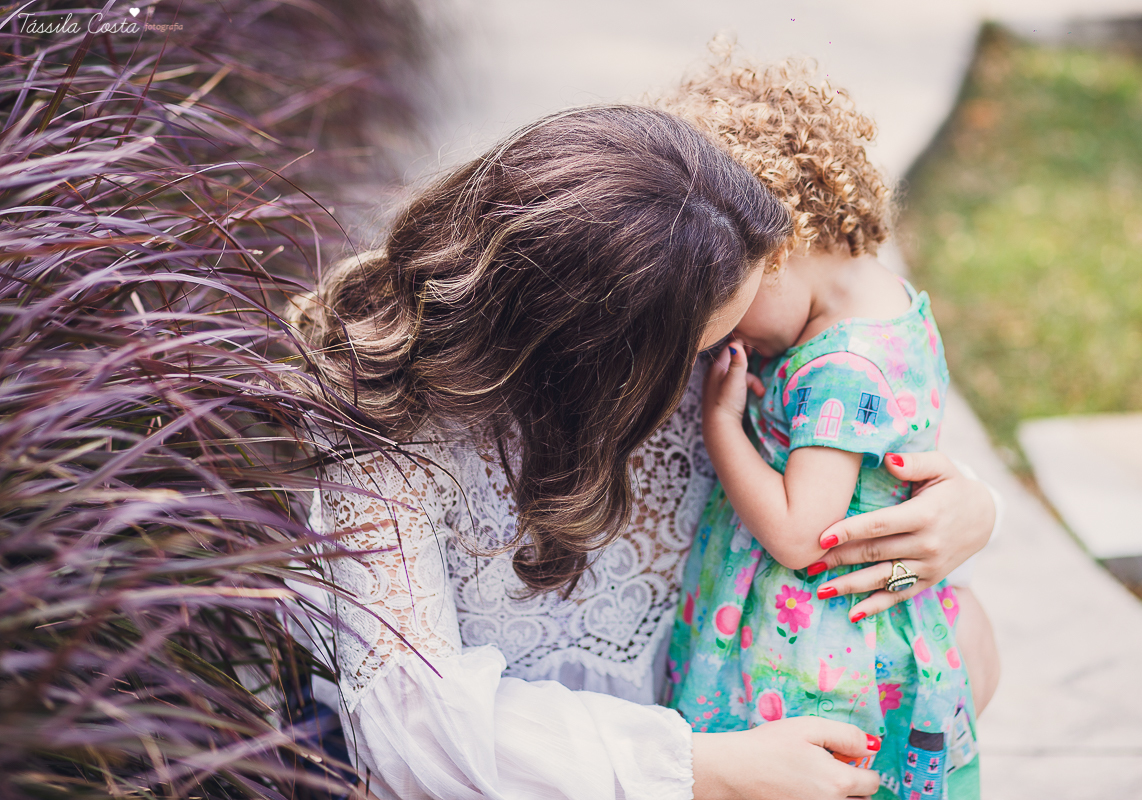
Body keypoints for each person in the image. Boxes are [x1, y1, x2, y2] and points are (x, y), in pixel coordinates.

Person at [290, 102, 998, 800]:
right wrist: (702, 769)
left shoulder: (710, 351)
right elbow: (413, 727)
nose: (728, 361)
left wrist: (965, 508)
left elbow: (846, 441)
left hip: (720, 714)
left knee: (968, 639)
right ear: (603, 357)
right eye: (704, 345)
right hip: (538, 779)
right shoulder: (390, 437)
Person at [657, 50, 982, 799]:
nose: (720, 334)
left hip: (813, 662)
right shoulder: (883, 299)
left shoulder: (843, 367)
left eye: (725, 297)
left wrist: (722, 428)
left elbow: (805, 534)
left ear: (778, 250)